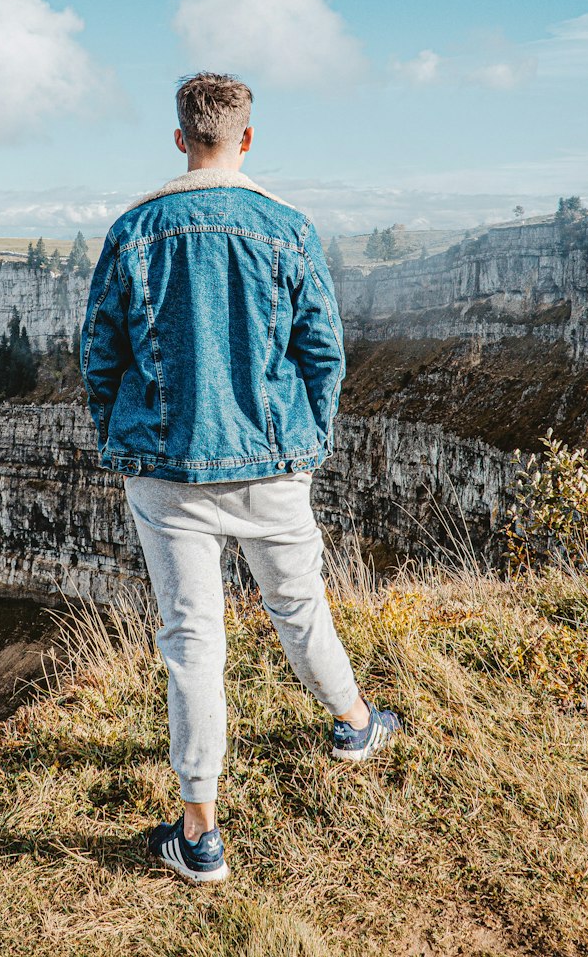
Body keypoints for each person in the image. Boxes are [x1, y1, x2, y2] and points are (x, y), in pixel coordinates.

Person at [79, 71, 400, 884]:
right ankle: (355, 723)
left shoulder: (133, 230)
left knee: (193, 640)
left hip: (166, 468)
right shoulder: (289, 230)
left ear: (180, 138)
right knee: (298, 606)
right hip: (271, 463)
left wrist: (125, 438)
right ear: (247, 138)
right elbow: (323, 351)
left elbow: (99, 357)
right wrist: (305, 440)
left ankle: (201, 833)